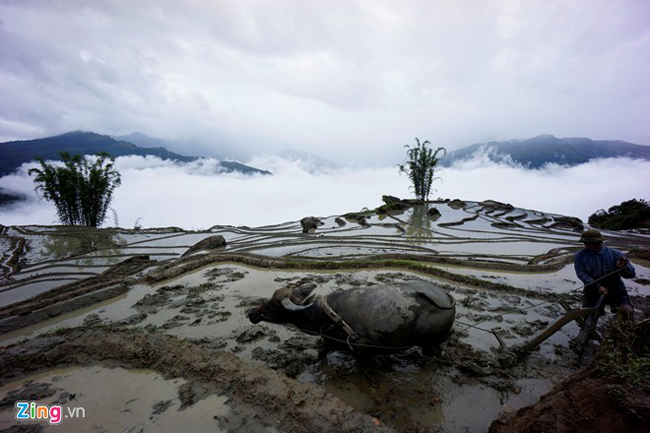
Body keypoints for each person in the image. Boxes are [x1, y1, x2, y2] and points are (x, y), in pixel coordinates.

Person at [574, 229, 636, 320]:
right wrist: (598, 286)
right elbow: (581, 274)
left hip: (616, 289)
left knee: (626, 311)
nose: (587, 245)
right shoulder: (579, 256)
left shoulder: (616, 254)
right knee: (588, 317)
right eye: (585, 243)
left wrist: (623, 267)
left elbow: (631, 275)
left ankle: (621, 330)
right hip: (592, 289)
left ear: (600, 242)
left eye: (590, 243)